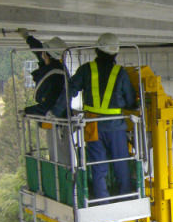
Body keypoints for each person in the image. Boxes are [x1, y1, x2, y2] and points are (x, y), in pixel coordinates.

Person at [53, 33, 137, 200]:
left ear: (97, 50)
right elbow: (129, 100)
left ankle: (102, 199)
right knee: (121, 163)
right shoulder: (119, 72)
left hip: (93, 125)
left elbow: (69, 90)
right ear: (115, 53)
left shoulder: (86, 69)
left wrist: (57, 111)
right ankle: (126, 197)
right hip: (115, 127)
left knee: (98, 165)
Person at [17, 28, 66, 116]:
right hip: (49, 112)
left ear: (47, 55)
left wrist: (27, 111)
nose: (42, 53)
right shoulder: (50, 63)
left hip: (53, 116)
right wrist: (27, 37)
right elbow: (38, 48)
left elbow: (47, 106)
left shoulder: (56, 78)